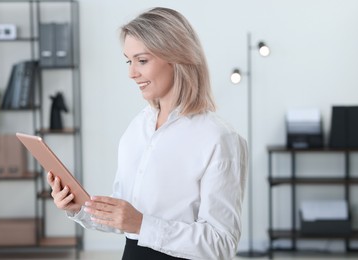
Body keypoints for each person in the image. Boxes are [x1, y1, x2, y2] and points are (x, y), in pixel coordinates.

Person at [47, 7, 247, 260]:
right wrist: (79, 208)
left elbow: (221, 244)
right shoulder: (137, 128)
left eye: (142, 60)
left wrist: (141, 224)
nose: (132, 73)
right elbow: (123, 213)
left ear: (176, 57)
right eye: (128, 61)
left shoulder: (219, 138)